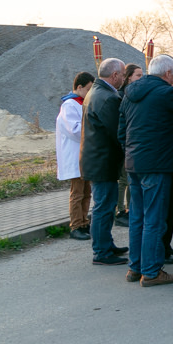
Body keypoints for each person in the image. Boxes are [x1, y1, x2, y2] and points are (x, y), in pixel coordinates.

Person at [118, 54, 173, 287]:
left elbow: (121, 130)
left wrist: (131, 152)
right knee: (155, 219)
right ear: (167, 74)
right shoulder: (168, 94)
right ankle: (152, 271)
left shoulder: (129, 93)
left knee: (137, 217)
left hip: (133, 162)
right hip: (158, 164)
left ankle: (135, 268)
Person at [80, 58, 128, 265]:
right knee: (103, 206)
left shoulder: (97, 92)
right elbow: (118, 131)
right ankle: (101, 251)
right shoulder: (107, 97)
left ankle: (106, 244)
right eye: (124, 75)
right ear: (115, 75)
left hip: (97, 159)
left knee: (105, 205)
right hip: (102, 160)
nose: (124, 79)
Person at [57, 71, 95, 241]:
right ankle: (75, 225)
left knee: (87, 192)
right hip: (75, 155)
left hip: (84, 154)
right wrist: (93, 128)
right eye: (88, 89)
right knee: (77, 193)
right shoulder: (69, 105)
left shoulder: (81, 103)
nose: (90, 93)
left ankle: (84, 222)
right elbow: (74, 129)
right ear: (79, 87)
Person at [114, 63, 144, 227]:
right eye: (138, 75)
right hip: (125, 144)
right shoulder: (122, 95)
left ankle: (130, 209)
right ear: (129, 77)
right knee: (124, 180)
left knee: (130, 180)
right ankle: (120, 211)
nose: (141, 78)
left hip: (132, 145)